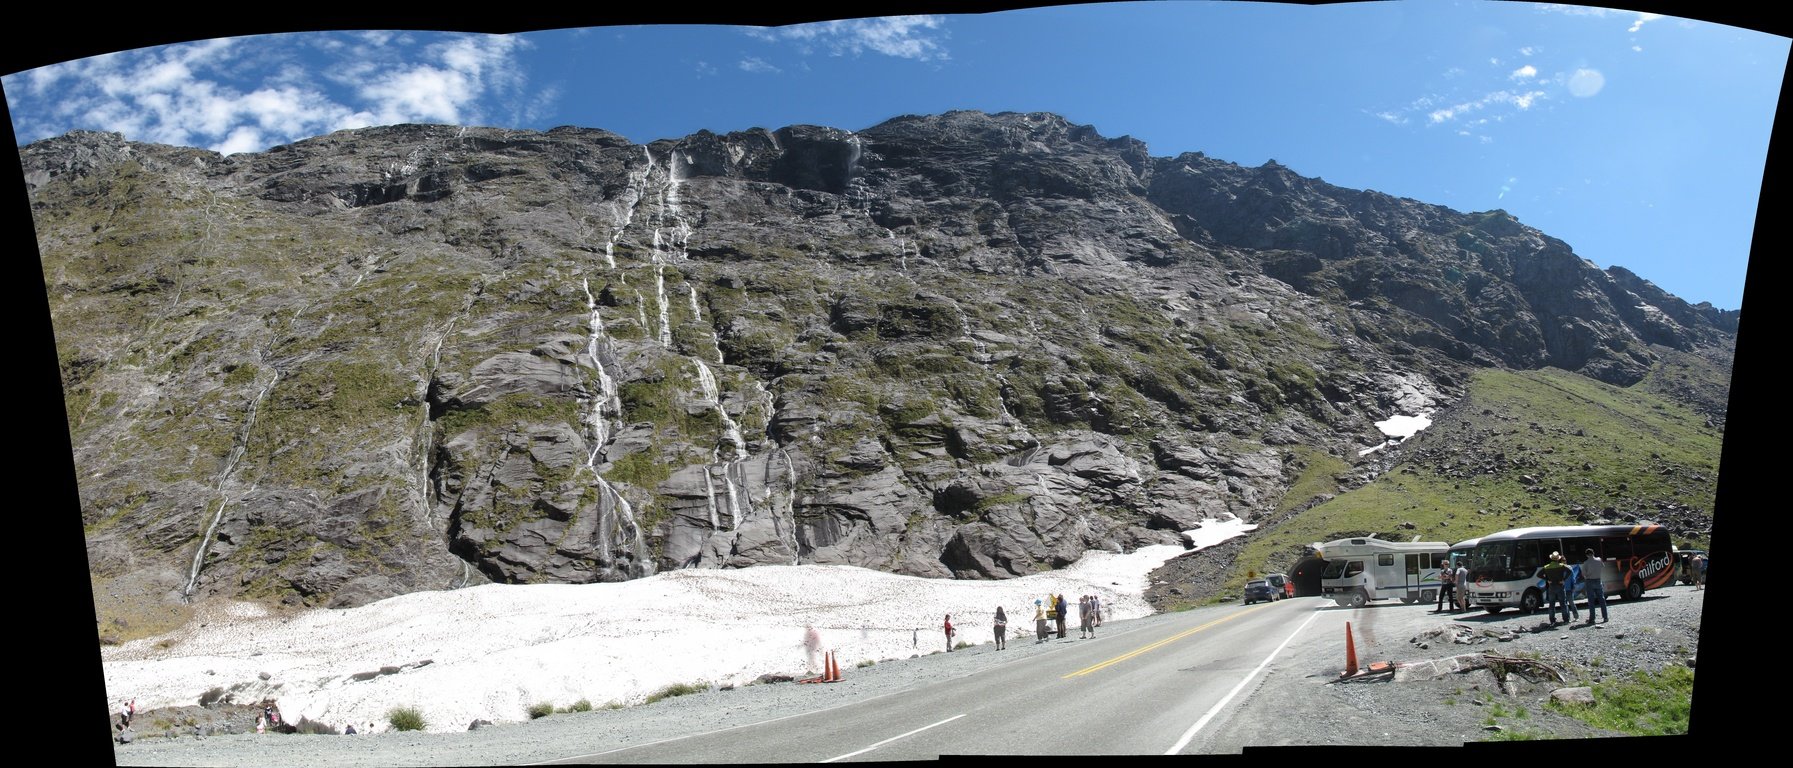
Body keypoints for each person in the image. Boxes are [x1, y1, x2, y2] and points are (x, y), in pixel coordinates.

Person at [1540, 551, 1570, 626]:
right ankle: (1565, 619)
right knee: (1563, 604)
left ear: (1551, 559)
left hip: (1551, 587)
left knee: (1551, 604)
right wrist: (1563, 579)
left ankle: (1552, 620)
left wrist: (1547, 580)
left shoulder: (1546, 567)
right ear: (1558, 559)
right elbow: (1569, 571)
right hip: (1560, 586)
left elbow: (1539, 574)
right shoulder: (1561, 566)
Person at [1581, 547, 1608, 625]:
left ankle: (1592, 619)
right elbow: (1602, 566)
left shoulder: (1585, 563)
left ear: (1586, 555)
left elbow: (1584, 574)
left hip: (1589, 581)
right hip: (1598, 580)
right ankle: (1605, 617)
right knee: (1602, 600)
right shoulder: (1599, 560)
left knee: (1591, 601)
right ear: (1593, 553)